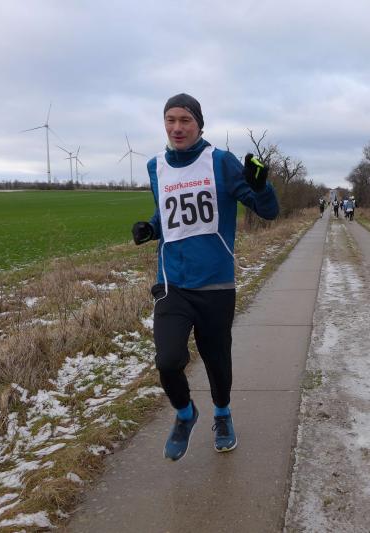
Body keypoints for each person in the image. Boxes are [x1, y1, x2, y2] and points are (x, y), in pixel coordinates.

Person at [131, 93, 279, 461]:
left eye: (185, 120)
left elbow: (268, 211)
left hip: (215, 283)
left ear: (199, 125)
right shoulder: (155, 166)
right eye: (170, 120)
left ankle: (223, 414)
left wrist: (261, 186)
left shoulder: (220, 162)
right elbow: (166, 213)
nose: (177, 127)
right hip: (172, 283)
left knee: (217, 361)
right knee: (168, 361)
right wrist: (151, 227)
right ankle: (185, 414)